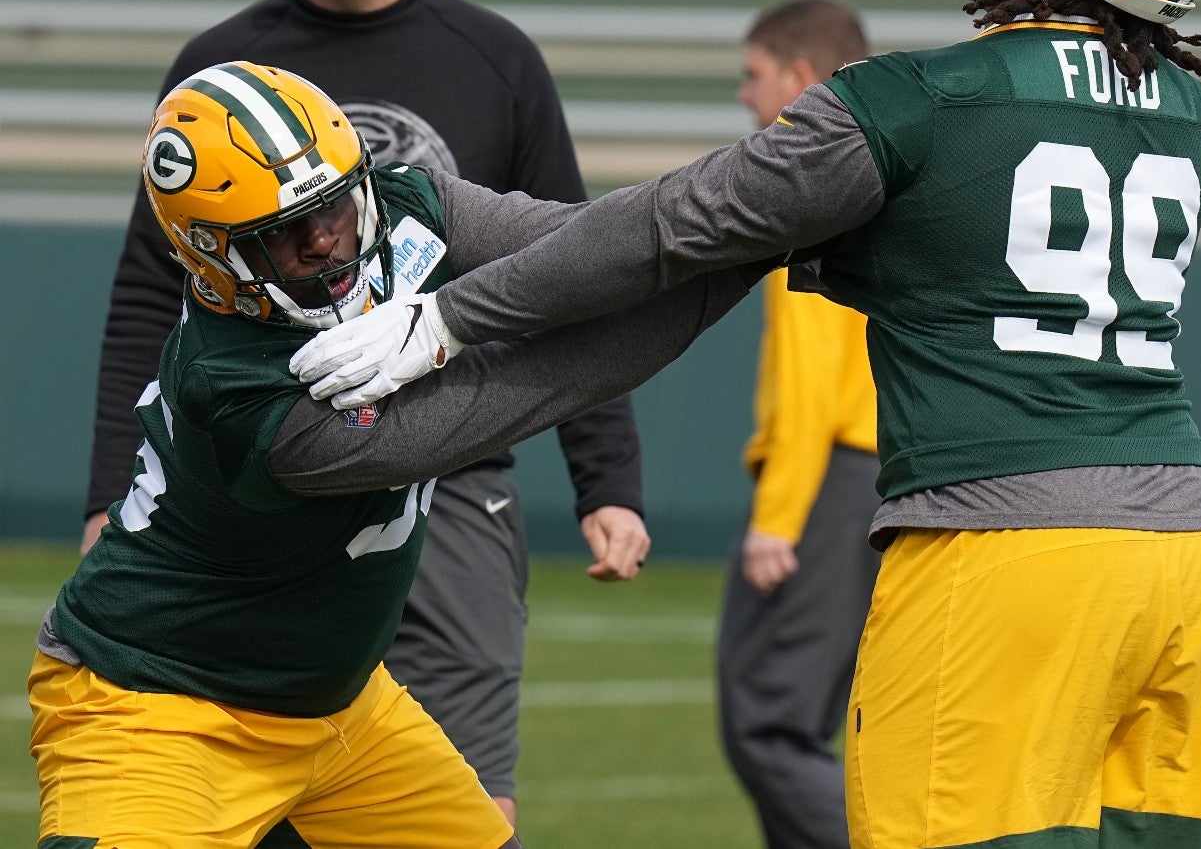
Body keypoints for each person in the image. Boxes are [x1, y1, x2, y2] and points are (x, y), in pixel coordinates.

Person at [294, 0, 1201, 845]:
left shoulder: (910, 102)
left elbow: (663, 237)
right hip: (1187, 550)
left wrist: (448, 318)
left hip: (1008, 547)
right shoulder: (1181, 104)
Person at [80, 0, 648, 825]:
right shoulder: (218, 70)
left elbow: (575, 260)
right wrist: (102, 491)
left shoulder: (494, 56)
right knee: (274, 776)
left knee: (470, 793)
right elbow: (145, 294)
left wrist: (607, 480)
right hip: (284, 451)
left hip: (461, 459)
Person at [30, 62, 758, 849]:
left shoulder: (409, 201)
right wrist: (764, 238)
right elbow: (542, 381)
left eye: (336, 206)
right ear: (213, 257)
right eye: (284, 233)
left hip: (338, 707)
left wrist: (763, 209)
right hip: (162, 706)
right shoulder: (236, 388)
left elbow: (585, 248)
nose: (324, 240)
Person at [718, 0, 879, 849]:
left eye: (755, 77)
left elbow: (811, 378)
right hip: (874, 479)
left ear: (802, 79)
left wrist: (778, 516)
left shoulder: (815, 189)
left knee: (770, 724)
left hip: (827, 484)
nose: (745, 97)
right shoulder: (885, 173)